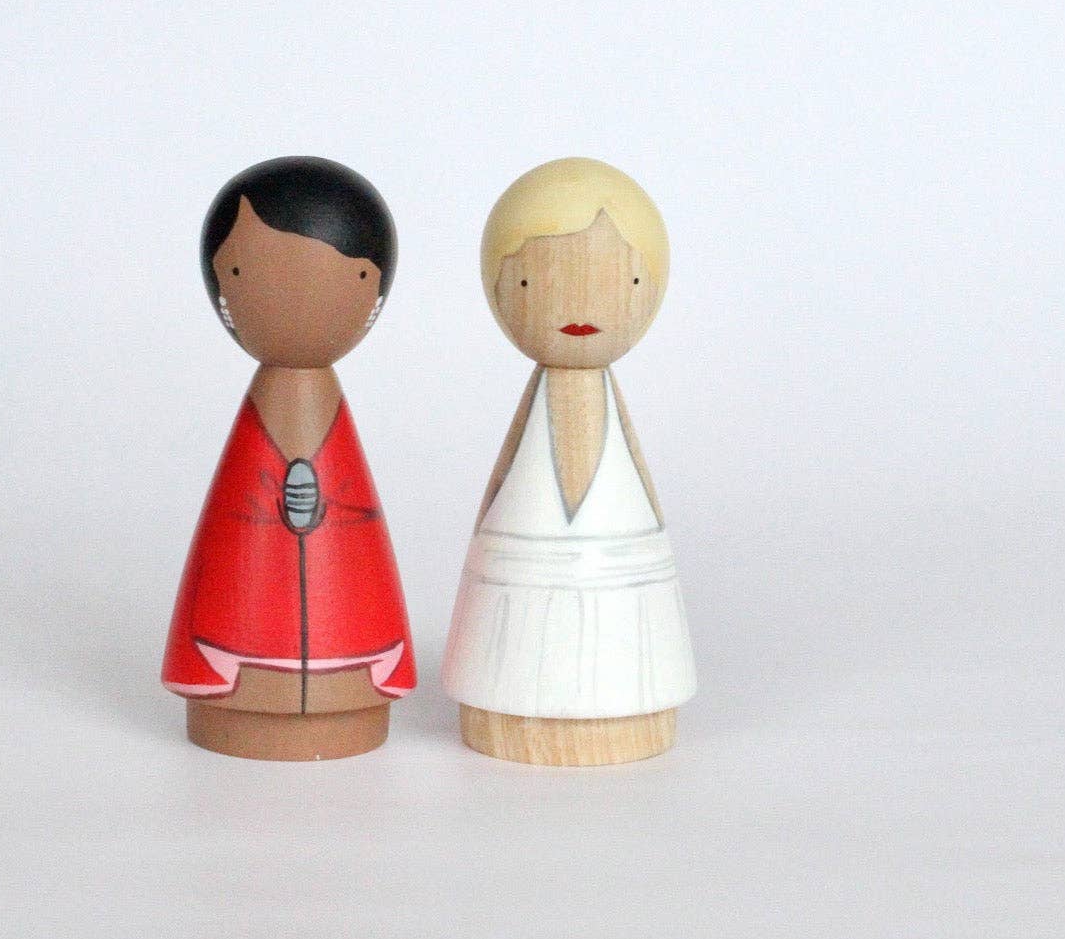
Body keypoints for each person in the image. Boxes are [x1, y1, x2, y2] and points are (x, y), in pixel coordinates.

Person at [441, 157, 695, 765]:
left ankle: (620, 699)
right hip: (503, 669)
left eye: (625, 280)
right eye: (530, 283)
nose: (578, 306)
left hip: (630, 666)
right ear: (504, 287)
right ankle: (507, 699)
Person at [163, 156, 415, 760]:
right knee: (228, 614)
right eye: (239, 271)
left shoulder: (320, 422)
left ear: (371, 287)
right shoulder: (265, 428)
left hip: (351, 664)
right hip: (234, 654)